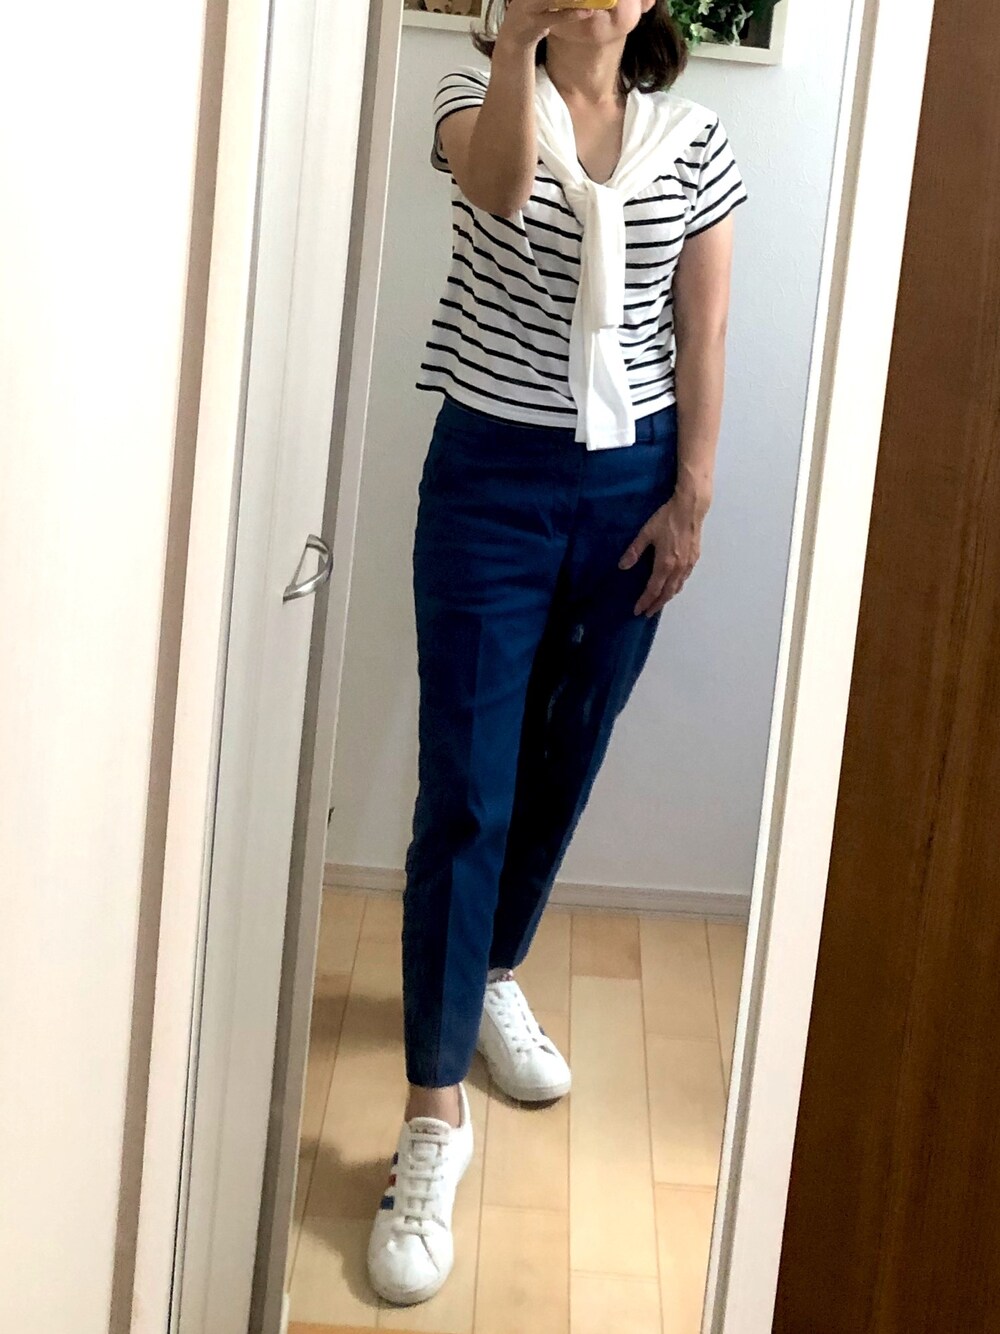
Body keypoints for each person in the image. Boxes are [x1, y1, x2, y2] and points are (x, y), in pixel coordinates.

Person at [367, 0, 745, 1305]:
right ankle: (432, 1115)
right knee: (465, 791)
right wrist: (518, 42)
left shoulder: (694, 141)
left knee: (565, 757)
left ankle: (491, 972)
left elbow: (701, 331)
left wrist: (692, 497)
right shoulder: (471, 100)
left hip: (633, 482)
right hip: (490, 480)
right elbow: (499, 190)